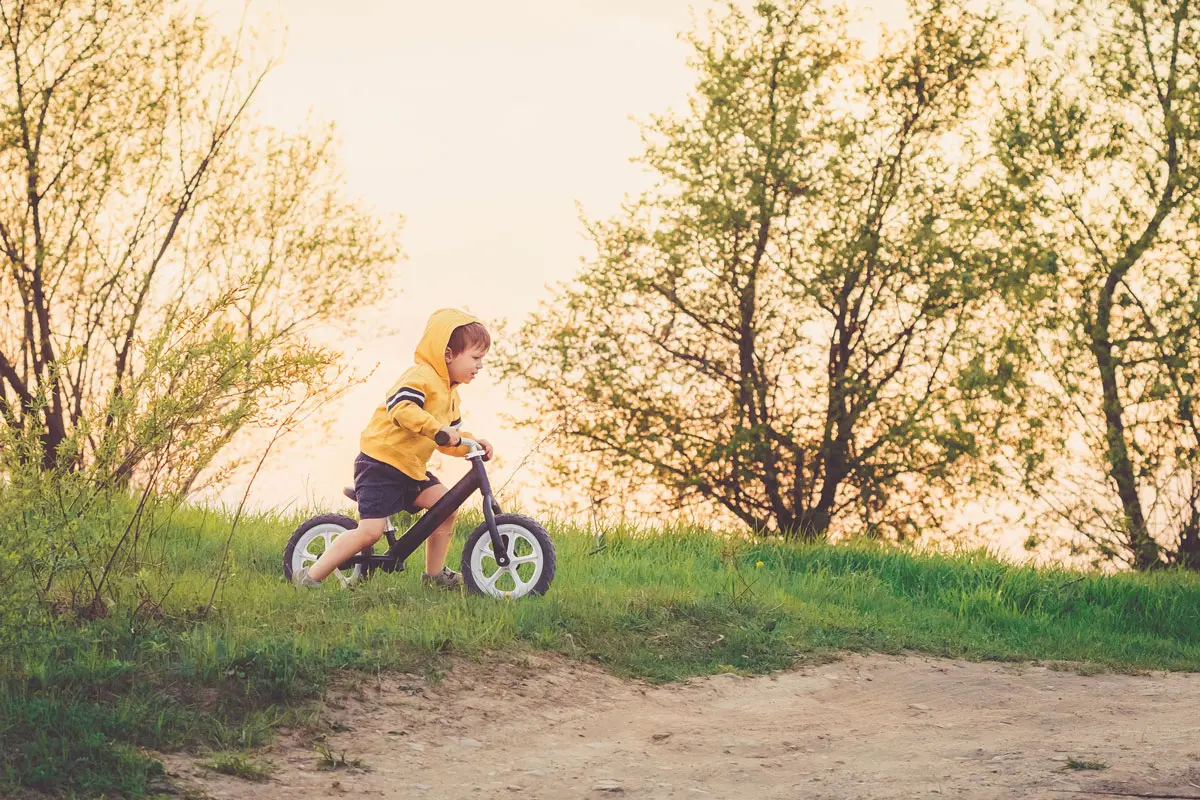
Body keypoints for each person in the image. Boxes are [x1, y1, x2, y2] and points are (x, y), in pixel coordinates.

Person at [293, 308, 494, 589]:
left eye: (482, 358)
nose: (480, 365)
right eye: (475, 357)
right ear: (448, 354)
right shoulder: (420, 377)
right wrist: (435, 429)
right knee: (370, 531)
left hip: (411, 467)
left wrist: (472, 444)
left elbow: (450, 439)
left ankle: (433, 576)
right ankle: (309, 578)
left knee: (446, 506)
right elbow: (401, 408)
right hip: (381, 464)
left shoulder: (452, 396)